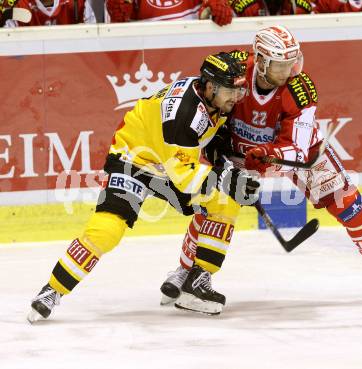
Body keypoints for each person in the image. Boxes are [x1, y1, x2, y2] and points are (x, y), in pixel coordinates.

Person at [161, 25, 362, 310]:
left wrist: (266, 153)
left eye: (291, 63)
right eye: (280, 66)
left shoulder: (300, 89)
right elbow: (208, 99)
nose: (288, 71)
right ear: (260, 60)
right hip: (236, 152)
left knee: (346, 201)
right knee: (213, 205)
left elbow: (297, 147)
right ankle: (187, 271)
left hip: (296, 155)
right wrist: (215, 142)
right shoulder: (235, 70)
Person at [27, 52, 260, 322]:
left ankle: (190, 279)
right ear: (210, 87)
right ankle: (51, 291)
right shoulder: (183, 116)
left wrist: (223, 158)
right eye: (232, 90)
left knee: (221, 202)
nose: (237, 97)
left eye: (239, 89)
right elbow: (184, 178)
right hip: (133, 162)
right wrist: (227, 178)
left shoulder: (212, 96)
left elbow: (204, 143)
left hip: (167, 162)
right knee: (107, 229)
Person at [105, 0, 233, 25]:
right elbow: (119, 25)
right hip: (148, 53)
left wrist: (216, 3)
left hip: (194, 50)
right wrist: (119, 8)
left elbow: (220, 10)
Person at [3, 0, 96, 26]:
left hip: (73, 65)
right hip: (30, 67)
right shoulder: (17, 5)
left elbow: (93, 40)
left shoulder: (77, 3)